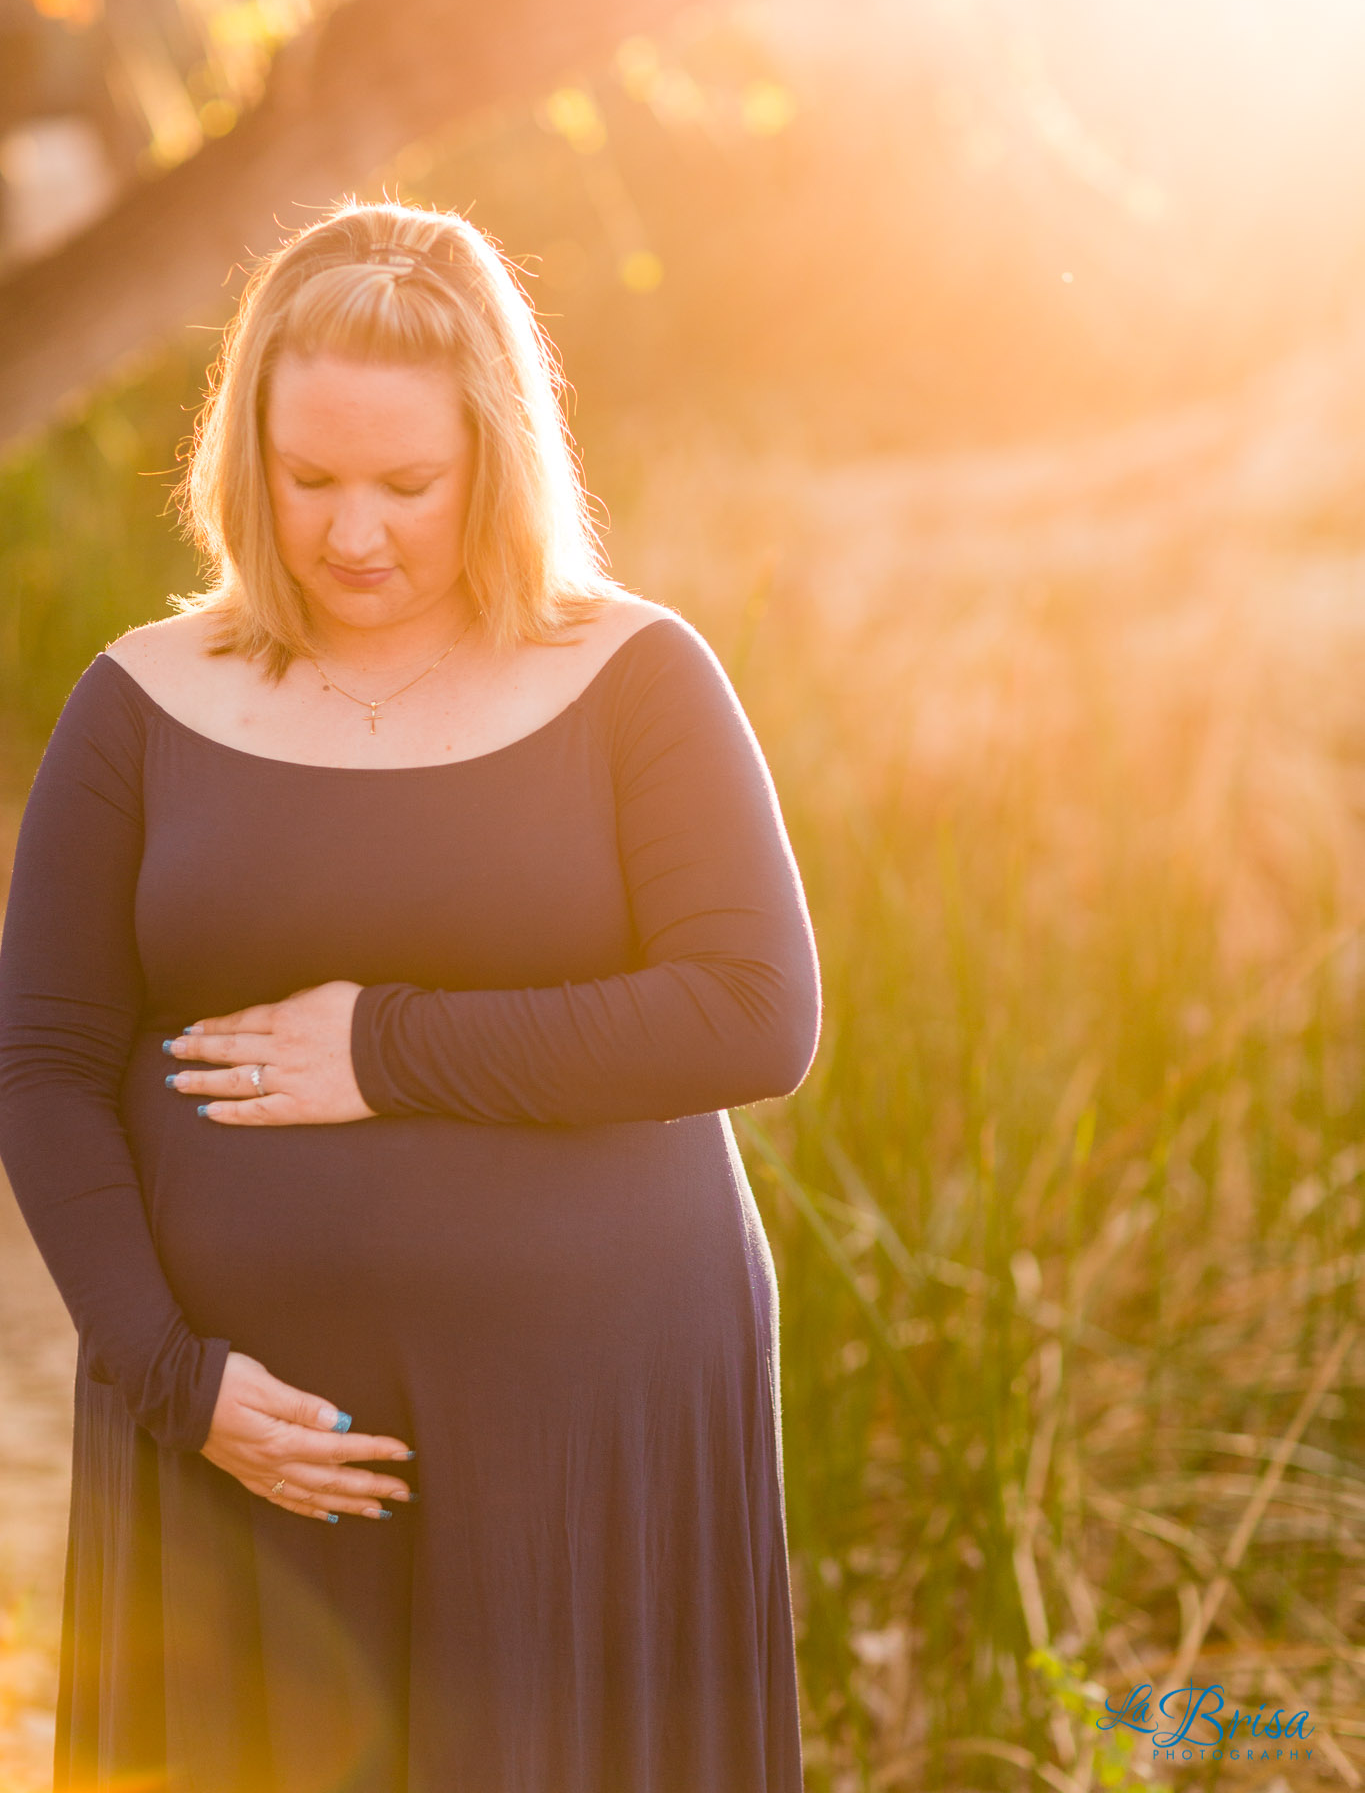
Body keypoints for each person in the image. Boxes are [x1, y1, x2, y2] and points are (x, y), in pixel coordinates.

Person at [0, 198, 823, 1793]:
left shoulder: (632, 676)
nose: (352, 533)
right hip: (235, 1436)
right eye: (308, 482)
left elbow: (751, 1013)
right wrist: (173, 1376)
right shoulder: (144, 701)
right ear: (247, 457)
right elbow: (42, 1061)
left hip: (593, 1428)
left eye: (406, 485)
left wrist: (389, 1047)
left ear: (495, 463)